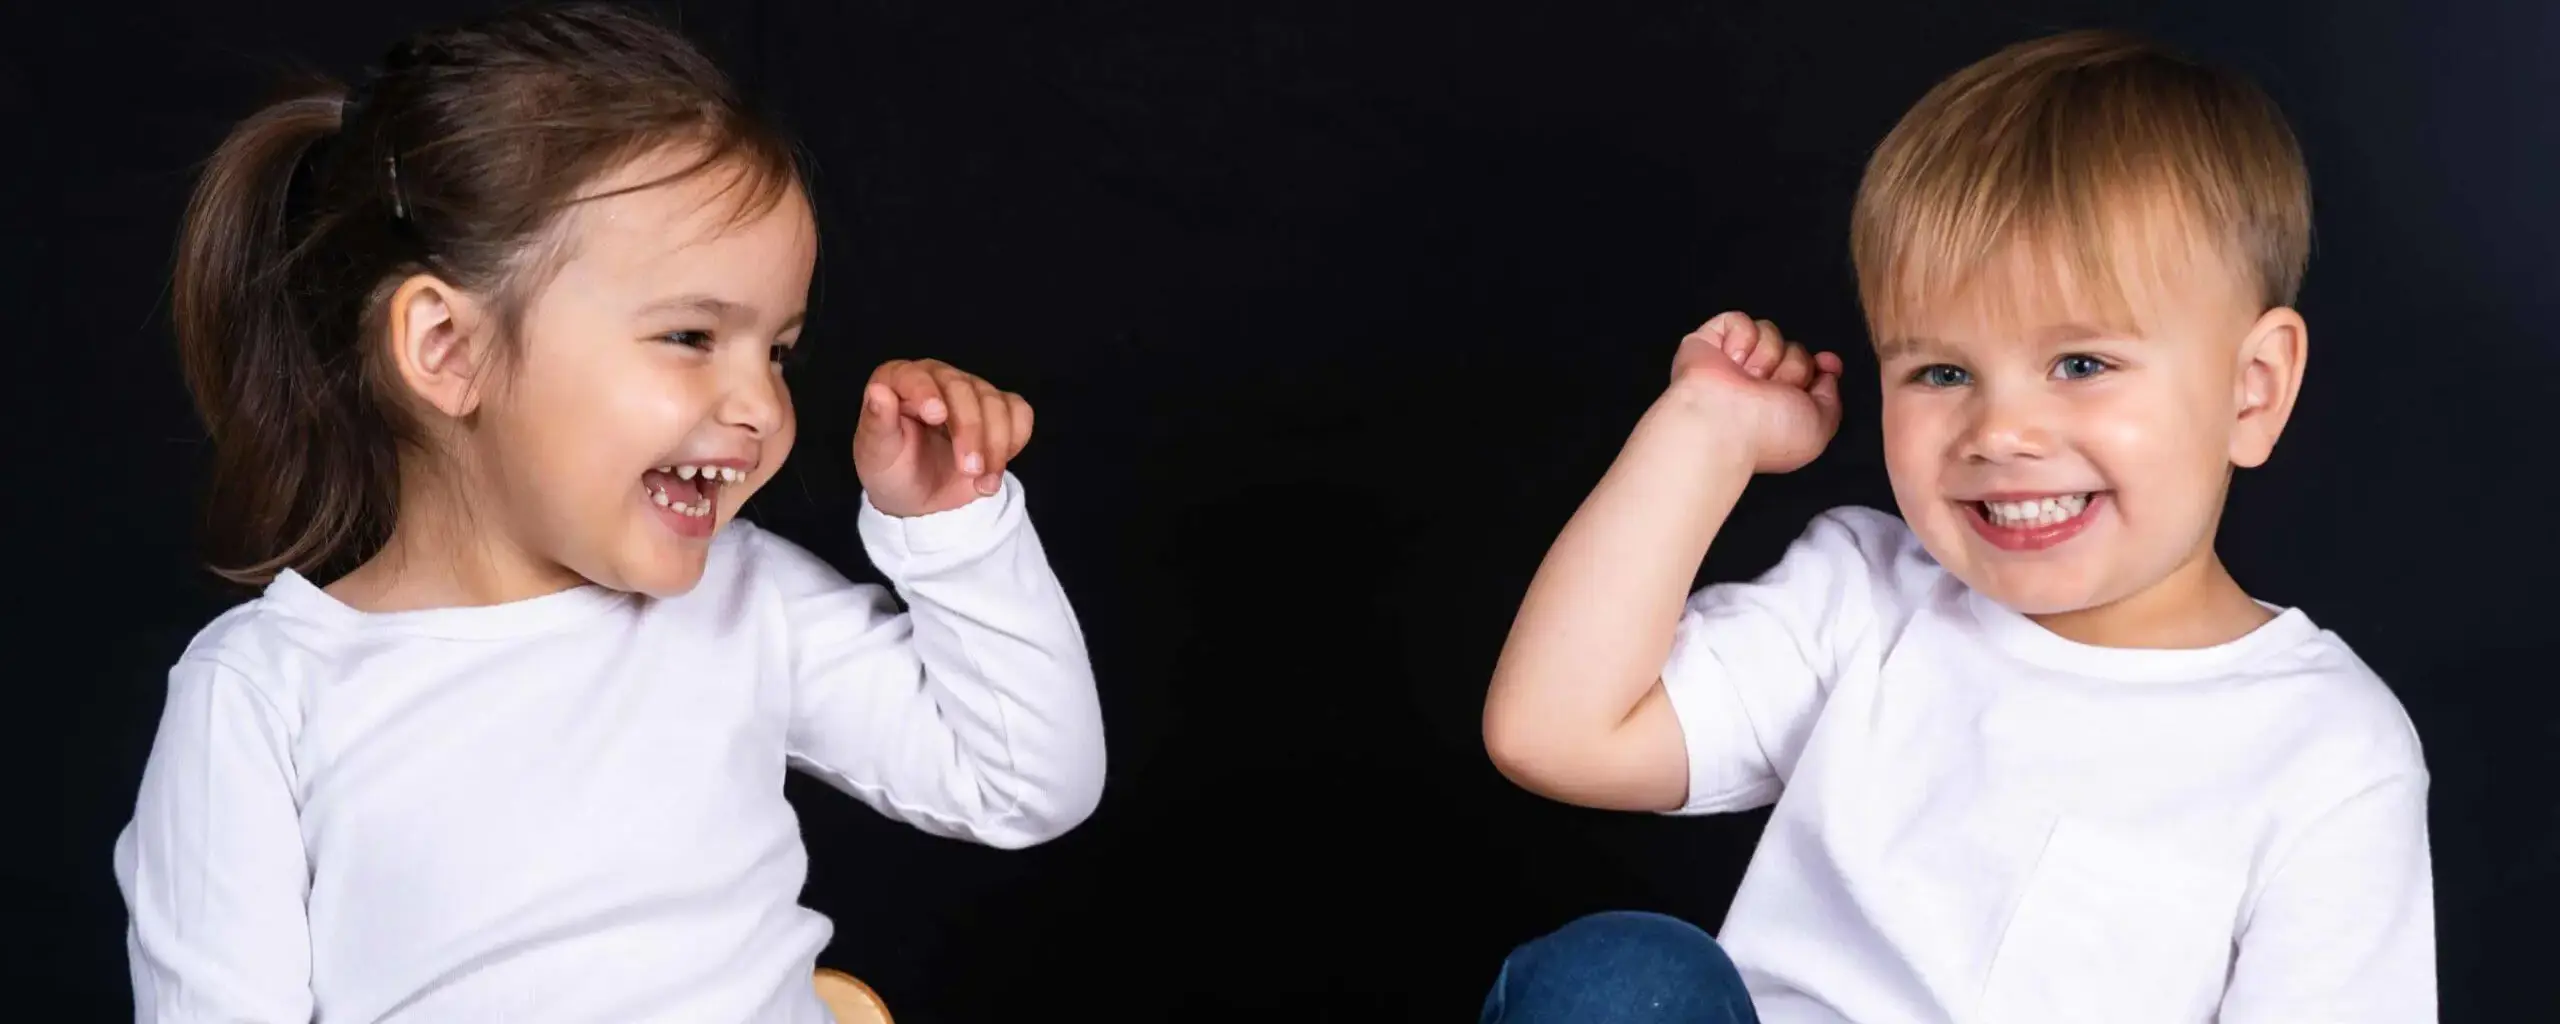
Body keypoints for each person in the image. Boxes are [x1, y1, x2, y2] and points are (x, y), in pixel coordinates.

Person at [111, 5, 1105, 1021]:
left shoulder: (742, 598)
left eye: (777, 351)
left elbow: (1021, 781)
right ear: (448, 350)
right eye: (688, 335)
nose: (762, 405)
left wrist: (953, 530)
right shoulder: (267, 699)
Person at [1477, 29, 2432, 1024]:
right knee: (1619, 982)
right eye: (1941, 372)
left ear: (2251, 389)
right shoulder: (1864, 599)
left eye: (2080, 364)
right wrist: (1702, 433)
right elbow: (1553, 732)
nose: (2000, 432)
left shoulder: (2327, 752)